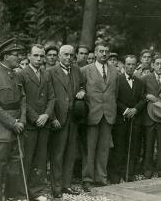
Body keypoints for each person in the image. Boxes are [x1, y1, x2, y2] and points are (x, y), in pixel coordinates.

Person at [0, 38, 27, 201]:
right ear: (6, 56)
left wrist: (22, 121)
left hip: (16, 130)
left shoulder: (16, 76)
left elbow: (23, 99)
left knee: (14, 168)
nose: (19, 58)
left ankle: (11, 198)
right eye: (16, 55)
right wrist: (13, 123)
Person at [48, 45, 85, 199]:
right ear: (59, 56)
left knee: (70, 153)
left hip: (73, 118)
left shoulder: (76, 70)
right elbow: (49, 97)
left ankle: (66, 185)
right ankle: (56, 187)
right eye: (65, 55)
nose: (69, 58)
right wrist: (53, 118)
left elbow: (82, 84)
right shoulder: (50, 72)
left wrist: (82, 90)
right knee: (57, 154)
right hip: (58, 118)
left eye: (71, 55)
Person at [80, 43, 119, 191]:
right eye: (101, 51)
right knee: (89, 148)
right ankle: (87, 179)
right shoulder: (85, 70)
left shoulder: (115, 71)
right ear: (95, 53)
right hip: (92, 113)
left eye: (106, 51)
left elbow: (115, 93)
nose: (104, 54)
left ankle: (101, 178)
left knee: (104, 148)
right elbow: (81, 89)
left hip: (108, 114)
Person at [19, 44, 55, 201]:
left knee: (40, 158)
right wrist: (35, 117)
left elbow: (52, 97)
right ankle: (23, 192)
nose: (39, 59)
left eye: (41, 56)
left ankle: (37, 191)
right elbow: (23, 100)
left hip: (44, 123)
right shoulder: (21, 74)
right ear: (29, 56)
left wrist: (46, 115)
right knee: (27, 158)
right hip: (30, 125)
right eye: (36, 55)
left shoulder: (46, 74)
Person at [110, 55, 146, 183]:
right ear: (124, 65)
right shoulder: (117, 80)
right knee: (119, 148)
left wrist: (136, 109)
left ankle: (129, 174)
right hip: (121, 120)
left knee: (133, 147)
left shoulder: (140, 82)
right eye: (128, 64)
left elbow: (143, 99)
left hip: (135, 120)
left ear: (136, 66)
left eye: (133, 64)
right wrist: (125, 110)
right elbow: (114, 98)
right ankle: (115, 176)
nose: (131, 67)